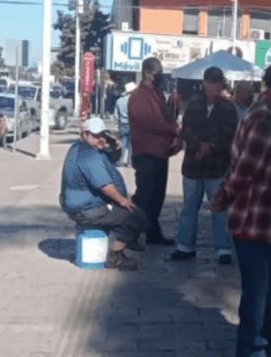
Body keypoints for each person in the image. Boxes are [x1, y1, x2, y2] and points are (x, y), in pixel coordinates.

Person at [211, 59, 271, 357]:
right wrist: (221, 199)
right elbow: (244, 170)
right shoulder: (266, 119)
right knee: (257, 292)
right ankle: (252, 348)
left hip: (269, 222)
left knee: (267, 291)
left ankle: (263, 335)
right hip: (256, 223)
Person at [59, 117, 149, 271]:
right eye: (96, 135)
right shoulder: (88, 155)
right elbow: (105, 186)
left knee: (130, 215)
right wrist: (121, 200)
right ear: (85, 134)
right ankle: (115, 257)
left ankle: (129, 237)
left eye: (103, 135)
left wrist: (115, 145)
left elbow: (111, 157)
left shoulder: (86, 148)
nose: (100, 139)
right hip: (87, 209)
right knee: (138, 218)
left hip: (85, 205)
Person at [171, 66, 238, 264]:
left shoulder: (228, 107)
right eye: (210, 81)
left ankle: (223, 249)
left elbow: (230, 134)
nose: (213, 86)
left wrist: (211, 147)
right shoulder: (193, 105)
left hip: (216, 167)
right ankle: (185, 246)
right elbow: (186, 130)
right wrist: (198, 144)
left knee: (219, 209)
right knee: (189, 208)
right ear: (204, 83)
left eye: (217, 82)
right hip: (193, 165)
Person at [129, 57, 182, 246]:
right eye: (156, 75)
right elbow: (151, 122)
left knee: (156, 197)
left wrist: (173, 106)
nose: (159, 78)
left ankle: (152, 232)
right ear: (147, 75)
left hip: (160, 154)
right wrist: (174, 130)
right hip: (146, 154)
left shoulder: (157, 94)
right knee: (144, 196)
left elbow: (164, 116)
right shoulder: (138, 96)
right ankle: (129, 235)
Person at [114, 81, 137, 167]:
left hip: (122, 125)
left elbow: (116, 114)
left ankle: (120, 161)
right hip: (133, 125)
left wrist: (117, 123)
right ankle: (129, 162)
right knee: (131, 144)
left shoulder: (119, 100)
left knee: (123, 143)